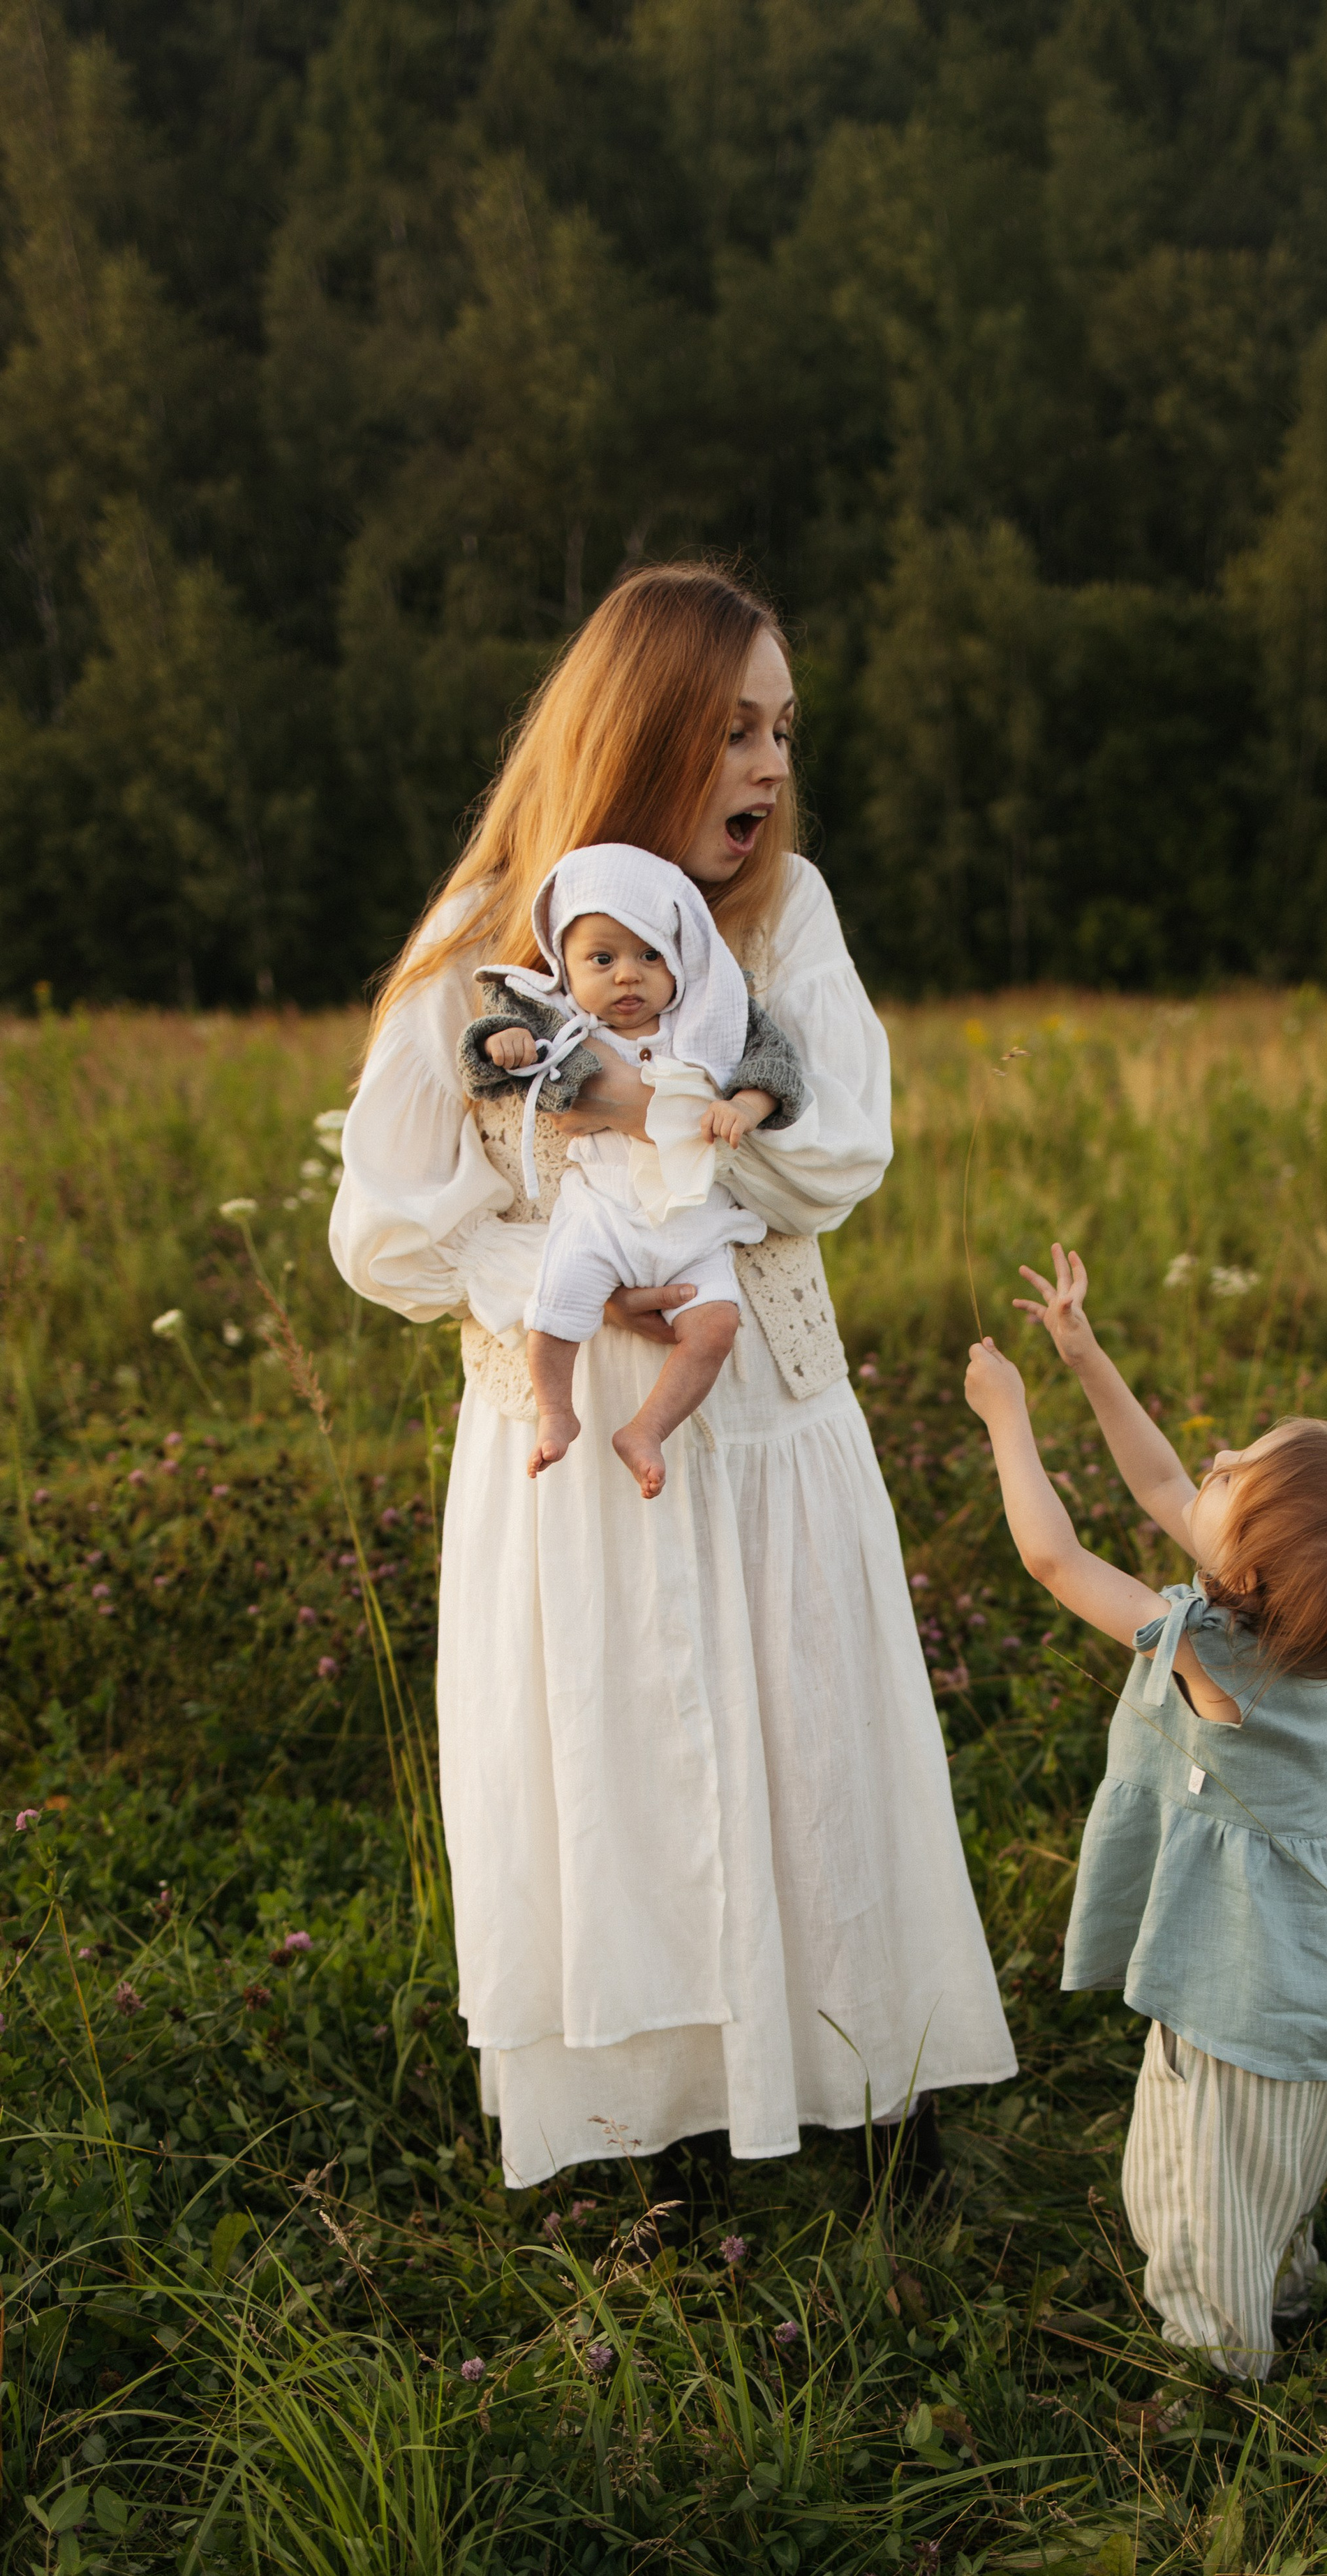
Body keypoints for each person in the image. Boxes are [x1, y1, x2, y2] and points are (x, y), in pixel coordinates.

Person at [331, 561, 1015, 2216]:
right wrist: (544, 1265)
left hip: (767, 1421)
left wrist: (660, 1112)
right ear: (637, 739)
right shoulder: (476, 949)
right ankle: (636, 2148)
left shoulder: (785, 918)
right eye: (730, 734)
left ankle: (858, 2098)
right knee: (612, 1770)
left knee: (805, 1752)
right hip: (565, 1455)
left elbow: (842, 1145)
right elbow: (378, 1229)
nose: (769, 769)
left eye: (781, 730)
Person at [964, 1243, 1327, 2376]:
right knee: (1274, 2160)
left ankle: (1218, 2374)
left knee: (1195, 2164)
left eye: (1236, 1475)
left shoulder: (1216, 1655)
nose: (1209, 1463)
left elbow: (1052, 1554)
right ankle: (1282, 2287)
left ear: (1249, 1578)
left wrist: (1006, 1415)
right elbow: (1161, 1484)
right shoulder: (1291, 1641)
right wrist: (1083, 1352)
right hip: (1302, 1970)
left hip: (1244, 1982)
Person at [459, 842, 809, 1493]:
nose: (628, 976)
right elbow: (488, 1061)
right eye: (603, 958)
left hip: (693, 1223)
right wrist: (500, 1042)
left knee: (714, 1329)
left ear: (681, 957)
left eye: (651, 955)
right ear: (563, 962)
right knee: (553, 1308)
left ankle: (646, 1428)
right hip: (602, 1213)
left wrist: (746, 1105)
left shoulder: (710, 1017)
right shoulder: (562, 1022)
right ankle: (557, 1413)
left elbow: (777, 1065)